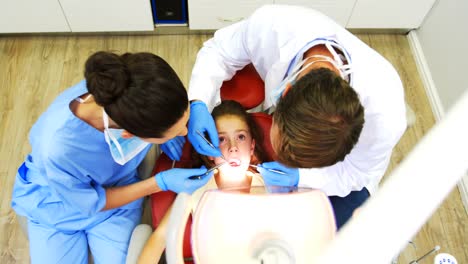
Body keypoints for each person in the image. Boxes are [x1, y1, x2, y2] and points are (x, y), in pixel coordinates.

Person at [185, 5, 407, 228]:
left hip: (345, 180)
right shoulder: (273, 26)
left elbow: (355, 172)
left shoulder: (384, 116)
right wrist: (198, 101)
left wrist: (303, 178)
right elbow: (218, 52)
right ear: (286, 91)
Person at [11, 51, 213, 264]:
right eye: (178, 129)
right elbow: (92, 201)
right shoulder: (57, 147)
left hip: (117, 205)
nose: (185, 132)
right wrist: (159, 183)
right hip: (56, 208)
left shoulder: (122, 94)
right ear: (129, 135)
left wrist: (179, 122)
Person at [134, 100, 268, 264]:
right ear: (209, 151)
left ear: (252, 147)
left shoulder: (269, 188)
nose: (233, 147)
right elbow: (161, 237)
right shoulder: (197, 187)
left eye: (240, 137)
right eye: (221, 139)